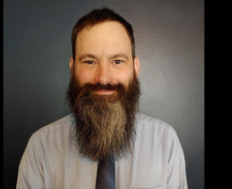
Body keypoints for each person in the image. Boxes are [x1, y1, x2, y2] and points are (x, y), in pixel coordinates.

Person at [16, 7, 188, 189]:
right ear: (72, 68)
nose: (104, 78)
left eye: (117, 61)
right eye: (90, 62)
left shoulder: (165, 142)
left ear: (135, 68)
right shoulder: (40, 147)